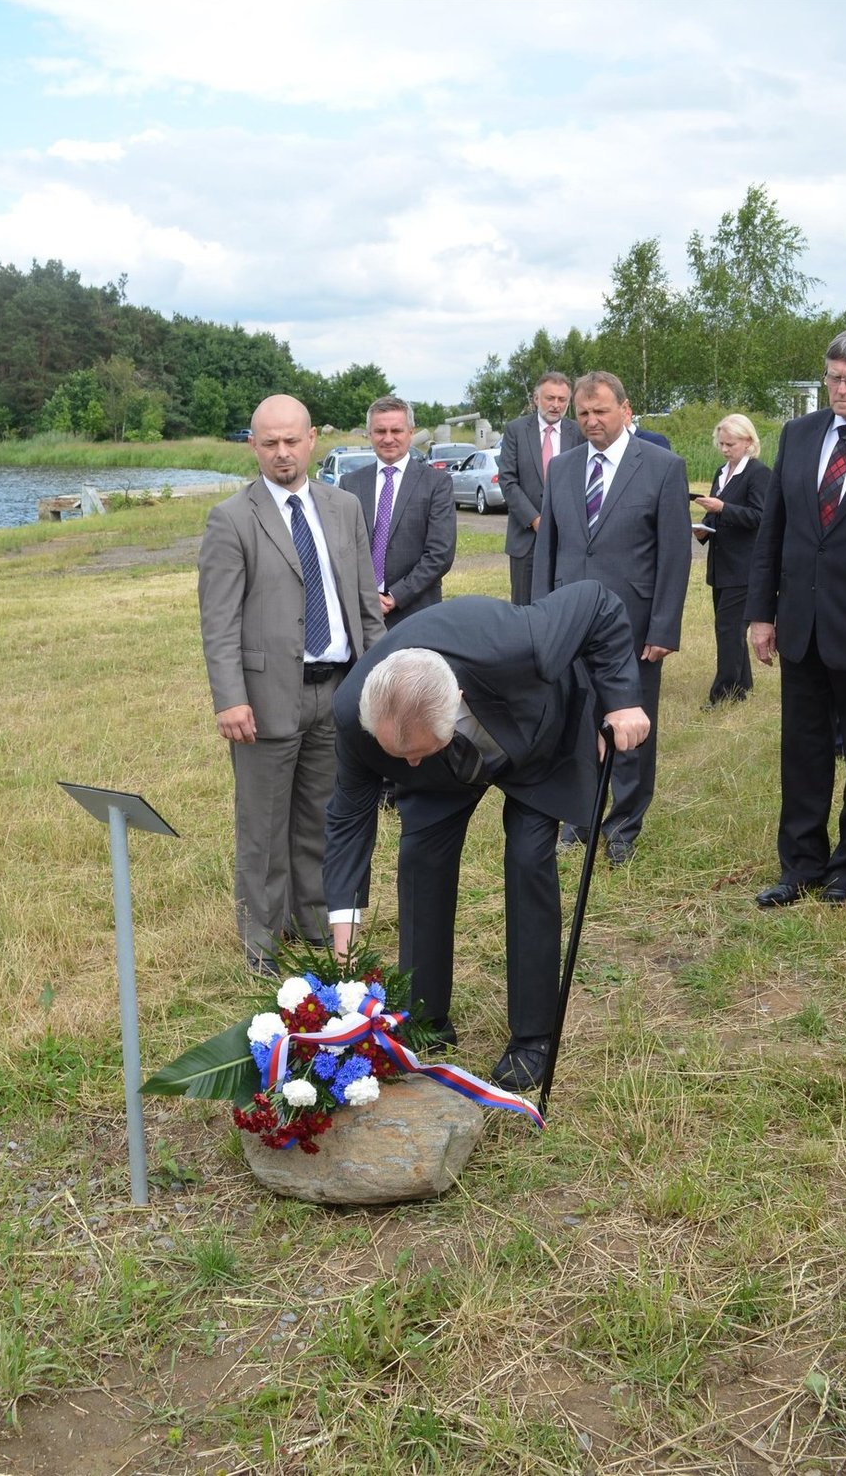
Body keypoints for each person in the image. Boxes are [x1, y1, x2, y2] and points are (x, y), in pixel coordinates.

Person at [323, 583, 650, 1091]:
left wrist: (622, 700)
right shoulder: (354, 712)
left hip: (536, 744)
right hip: (443, 776)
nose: (403, 765)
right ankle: (425, 1019)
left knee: (527, 860)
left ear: (455, 703)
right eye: (397, 755)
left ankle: (532, 1038)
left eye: (414, 752)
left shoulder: (518, 640)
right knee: (420, 863)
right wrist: (343, 927)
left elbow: (600, 603)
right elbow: (348, 817)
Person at [197, 394, 384, 970]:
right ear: (253, 446)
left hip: (339, 691)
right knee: (263, 829)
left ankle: (316, 923)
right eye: (269, 443)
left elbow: (364, 602)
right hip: (267, 698)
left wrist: (378, 681)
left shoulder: (343, 506)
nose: (282, 453)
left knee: (323, 819)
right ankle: (261, 946)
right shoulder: (232, 518)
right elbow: (219, 619)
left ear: (311, 442)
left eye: (291, 441)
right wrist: (230, 698)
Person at [532, 371, 691, 865]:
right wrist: (540, 620)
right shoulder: (562, 468)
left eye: (600, 411)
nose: (591, 421)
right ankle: (579, 817)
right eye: (583, 413)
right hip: (569, 622)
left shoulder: (663, 467)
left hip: (635, 623)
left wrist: (664, 626)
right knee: (575, 721)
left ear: (625, 410)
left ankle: (623, 825)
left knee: (631, 725)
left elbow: (675, 554)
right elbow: (547, 550)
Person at [746, 327, 846, 907]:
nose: (841, 389)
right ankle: (800, 864)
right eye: (834, 377)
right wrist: (760, 614)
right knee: (803, 751)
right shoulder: (798, 435)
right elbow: (772, 530)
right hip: (800, 622)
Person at [341, 395, 456, 629]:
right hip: (360, 613)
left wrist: (396, 596)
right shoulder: (350, 483)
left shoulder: (437, 483)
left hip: (416, 611)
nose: (388, 438)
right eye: (380, 431)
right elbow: (341, 550)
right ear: (369, 434)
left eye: (396, 430)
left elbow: (440, 554)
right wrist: (367, 597)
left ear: (410, 432)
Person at [692, 414, 769, 707]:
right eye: (721, 444)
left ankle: (723, 694)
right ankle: (742, 686)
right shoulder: (720, 472)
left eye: (731, 444)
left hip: (744, 566)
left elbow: (761, 518)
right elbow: (715, 514)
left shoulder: (758, 474)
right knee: (730, 630)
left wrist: (723, 508)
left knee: (728, 630)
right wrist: (702, 529)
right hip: (720, 565)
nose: (725, 449)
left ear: (748, 442)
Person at [499, 372, 583, 604]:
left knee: (564, 606)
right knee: (524, 610)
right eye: (550, 398)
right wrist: (536, 520)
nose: (556, 405)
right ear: (536, 399)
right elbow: (508, 481)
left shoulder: (578, 433)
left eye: (562, 400)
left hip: (568, 539)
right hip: (526, 541)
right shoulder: (515, 430)